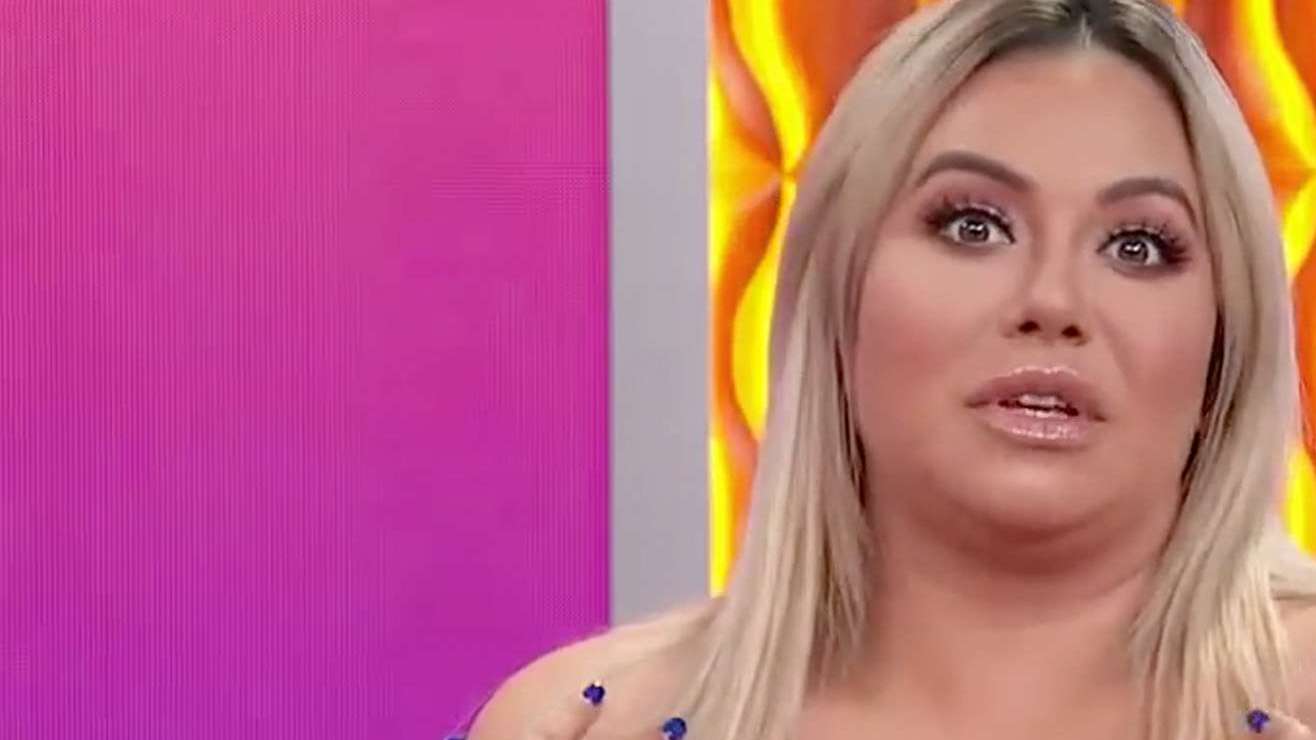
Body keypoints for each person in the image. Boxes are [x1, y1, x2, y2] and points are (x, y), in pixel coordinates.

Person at [463, 0, 1316, 738]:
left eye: (1137, 245)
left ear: (1226, 340)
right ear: (843, 295)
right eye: (973, 226)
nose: (1053, 300)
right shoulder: (591, 718)